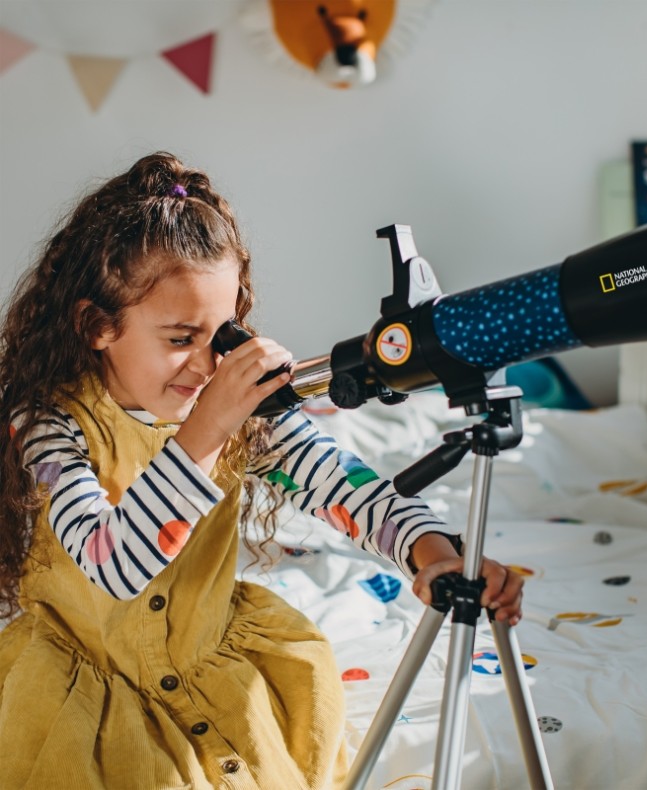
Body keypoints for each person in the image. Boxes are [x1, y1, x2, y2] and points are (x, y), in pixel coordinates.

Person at [0, 152, 524, 788]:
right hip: (85, 685)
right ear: (98, 326)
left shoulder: (238, 414)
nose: (203, 365)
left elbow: (349, 489)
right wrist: (206, 431)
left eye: (220, 336)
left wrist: (432, 553)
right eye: (178, 338)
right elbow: (112, 565)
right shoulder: (48, 423)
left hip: (208, 661)